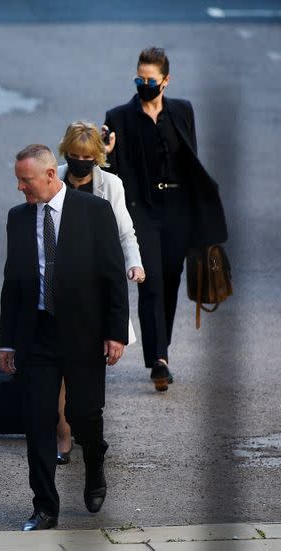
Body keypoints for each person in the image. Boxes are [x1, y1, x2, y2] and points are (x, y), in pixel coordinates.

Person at [0, 145, 128, 531]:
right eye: (18, 180)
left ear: (51, 175)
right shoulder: (18, 218)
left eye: (27, 180)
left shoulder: (94, 212)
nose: (21, 188)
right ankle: (45, 508)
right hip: (36, 333)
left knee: (83, 414)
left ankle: (95, 465)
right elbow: (12, 282)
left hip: (84, 334)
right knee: (38, 421)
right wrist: (7, 341)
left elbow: (112, 275)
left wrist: (115, 333)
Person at [103, 47, 227, 391]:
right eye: (138, 78)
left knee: (170, 281)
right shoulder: (119, 117)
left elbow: (191, 159)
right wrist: (108, 153)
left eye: (150, 79)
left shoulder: (182, 111)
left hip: (179, 208)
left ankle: (163, 352)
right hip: (142, 207)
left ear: (166, 81)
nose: (144, 84)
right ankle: (158, 360)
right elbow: (109, 170)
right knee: (151, 283)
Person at [54, 121, 145, 465]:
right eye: (74, 156)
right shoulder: (54, 178)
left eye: (86, 158)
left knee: (86, 371)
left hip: (93, 289)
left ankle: (85, 427)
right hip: (58, 284)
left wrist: (133, 264)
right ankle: (63, 436)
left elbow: (125, 231)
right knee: (59, 369)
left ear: (98, 157)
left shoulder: (111, 185)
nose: (79, 163)